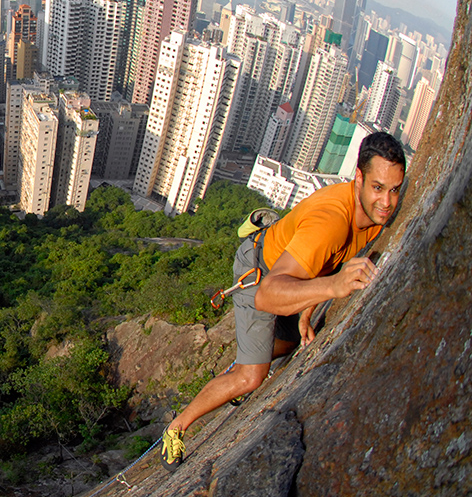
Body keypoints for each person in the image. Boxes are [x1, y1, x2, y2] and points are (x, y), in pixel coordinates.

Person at [160, 131, 406, 471]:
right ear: (359, 178)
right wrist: (334, 287)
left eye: (395, 189)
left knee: (291, 341)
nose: (387, 202)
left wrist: (306, 314)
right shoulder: (332, 222)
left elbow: (325, 262)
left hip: (288, 270)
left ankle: (246, 362)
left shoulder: (373, 213)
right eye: (378, 188)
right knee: (251, 376)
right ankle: (176, 428)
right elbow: (268, 295)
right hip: (259, 272)